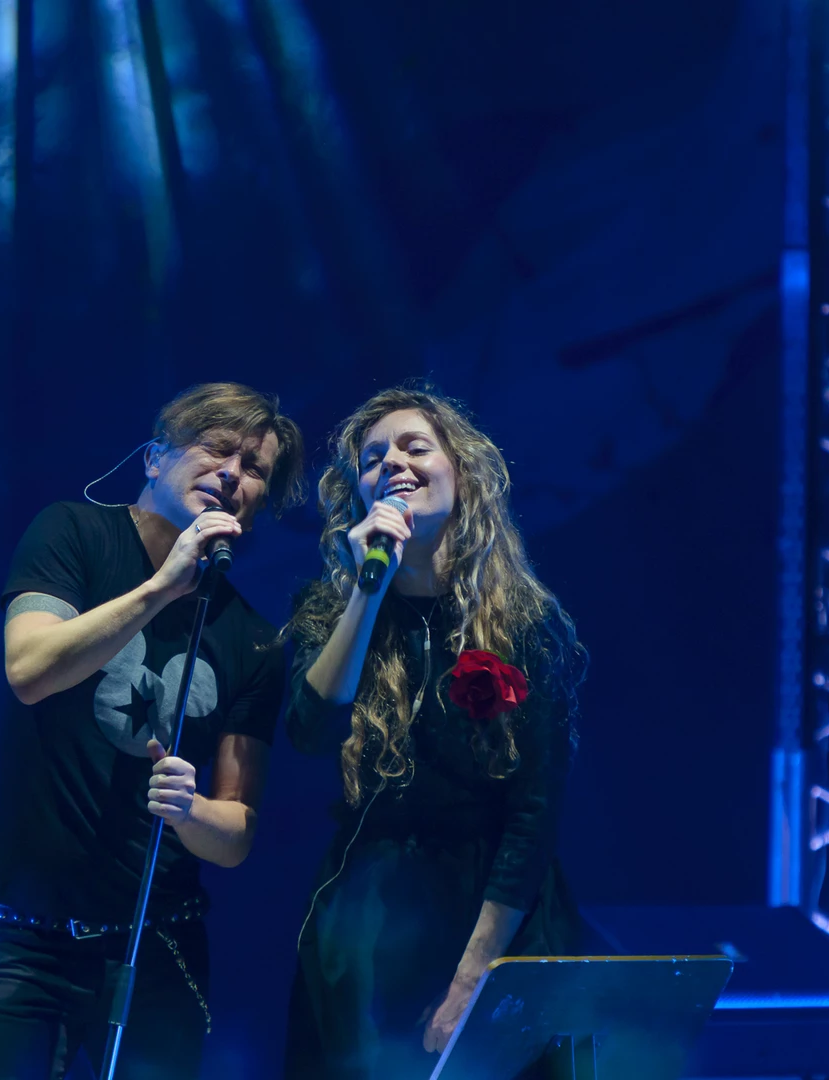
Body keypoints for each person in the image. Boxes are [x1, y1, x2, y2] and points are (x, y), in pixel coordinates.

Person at [0, 383, 305, 1080]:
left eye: (254, 467)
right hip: (25, 942)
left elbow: (235, 834)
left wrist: (192, 810)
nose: (231, 473)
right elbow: (29, 668)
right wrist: (161, 588)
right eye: (215, 448)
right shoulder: (71, 533)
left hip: (157, 947)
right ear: (153, 458)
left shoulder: (255, 642)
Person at [282, 385, 588, 1080]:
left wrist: (475, 974)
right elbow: (310, 731)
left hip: (496, 907)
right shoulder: (330, 608)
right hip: (375, 915)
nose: (392, 463)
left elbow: (534, 811)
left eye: (414, 447)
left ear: (462, 472)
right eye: (371, 458)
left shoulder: (525, 622)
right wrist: (366, 589)